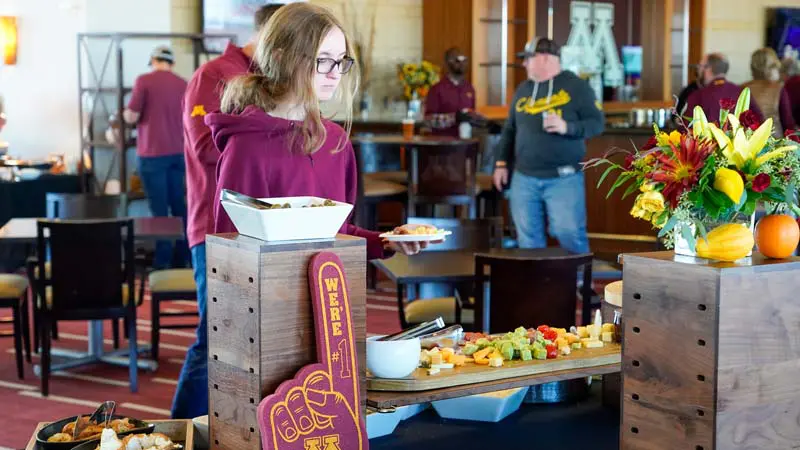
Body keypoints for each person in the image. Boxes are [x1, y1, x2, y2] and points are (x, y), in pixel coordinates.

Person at [209, 3, 432, 258]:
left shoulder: (335, 140)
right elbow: (230, 250)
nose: (335, 73)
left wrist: (387, 241)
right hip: (273, 291)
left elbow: (338, 232)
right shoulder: (248, 146)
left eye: (341, 61)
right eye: (323, 60)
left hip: (329, 289)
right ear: (282, 58)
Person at [172, 4, 283, 419]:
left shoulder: (272, 78)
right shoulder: (216, 74)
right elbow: (205, 147)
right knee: (214, 337)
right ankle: (177, 432)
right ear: (272, 34)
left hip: (265, 224)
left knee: (256, 342)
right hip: (217, 226)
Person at [492, 38, 603, 254]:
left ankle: (580, 282)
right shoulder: (523, 89)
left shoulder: (577, 87)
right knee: (527, 239)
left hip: (563, 178)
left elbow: (597, 124)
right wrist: (501, 163)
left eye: (527, 59)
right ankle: (536, 286)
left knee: (568, 233)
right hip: (523, 177)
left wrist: (566, 127)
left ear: (543, 58)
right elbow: (509, 130)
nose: (524, 64)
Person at [124, 46, 189, 269]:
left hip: (152, 154)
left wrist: (125, 114)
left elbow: (131, 116)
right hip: (180, 154)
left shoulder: (144, 80)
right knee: (179, 207)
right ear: (171, 62)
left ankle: (162, 263)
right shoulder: (183, 83)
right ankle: (182, 260)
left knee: (159, 211)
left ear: (153, 60)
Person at [684, 53, 764, 123]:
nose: (698, 70)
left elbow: (685, 128)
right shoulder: (742, 93)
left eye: (700, 66)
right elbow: (760, 121)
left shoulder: (697, 96)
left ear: (708, 69)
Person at [424, 47, 484, 136]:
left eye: (464, 59)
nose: (462, 63)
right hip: (444, 144)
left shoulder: (469, 88)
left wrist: (481, 120)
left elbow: (471, 114)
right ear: (448, 63)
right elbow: (428, 121)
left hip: (466, 144)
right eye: (458, 60)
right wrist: (454, 118)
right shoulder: (437, 89)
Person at [742, 48, 796, 137]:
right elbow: (788, 123)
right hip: (775, 143)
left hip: (748, 143)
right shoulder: (778, 89)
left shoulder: (742, 88)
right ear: (773, 66)